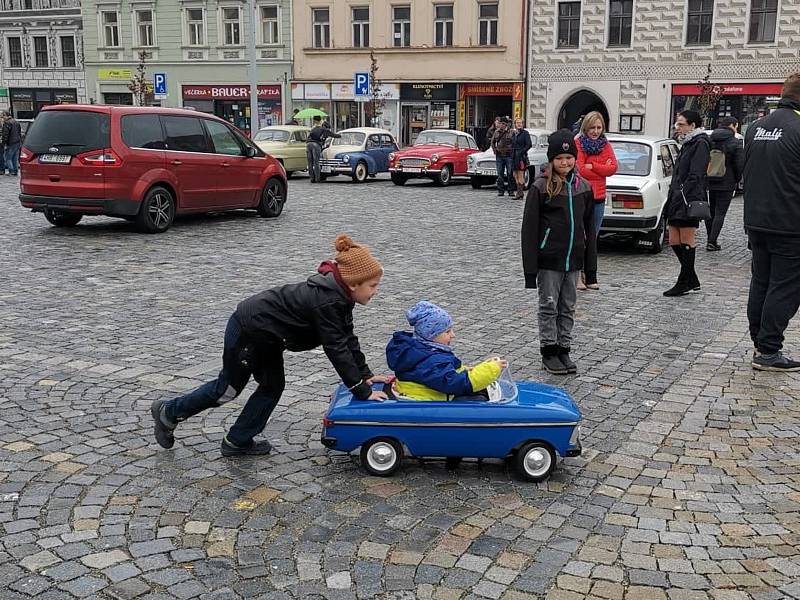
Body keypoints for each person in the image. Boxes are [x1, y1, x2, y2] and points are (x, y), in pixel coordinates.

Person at [150, 234, 389, 456]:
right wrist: (362, 390)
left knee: (272, 386)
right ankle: (168, 412)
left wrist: (366, 375)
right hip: (249, 330)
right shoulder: (328, 300)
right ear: (354, 283)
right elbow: (335, 348)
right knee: (227, 389)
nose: (376, 291)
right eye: (373, 285)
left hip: (270, 337)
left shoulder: (340, 298)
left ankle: (237, 440)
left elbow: (347, 337)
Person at [521, 129, 597, 375]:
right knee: (548, 306)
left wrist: (590, 269)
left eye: (569, 157)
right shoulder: (540, 188)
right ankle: (549, 351)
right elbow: (529, 231)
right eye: (559, 158)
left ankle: (564, 348)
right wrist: (530, 271)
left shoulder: (583, 187)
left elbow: (590, 230)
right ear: (552, 160)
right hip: (549, 260)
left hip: (573, 260)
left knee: (568, 307)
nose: (565, 162)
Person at [743, 72, 800, 371]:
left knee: (761, 282)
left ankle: (760, 341)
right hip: (790, 223)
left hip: (756, 220)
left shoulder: (755, 127)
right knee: (785, 286)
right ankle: (768, 350)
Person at [385, 301, 507, 401]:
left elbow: (445, 373)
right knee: (478, 400)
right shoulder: (431, 360)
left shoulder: (422, 351)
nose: (453, 335)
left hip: (433, 393)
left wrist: (468, 370)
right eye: (447, 332)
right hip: (432, 400)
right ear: (431, 335)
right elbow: (453, 383)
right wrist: (491, 370)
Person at [663, 110, 710, 297]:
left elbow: (696, 173)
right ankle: (691, 278)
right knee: (674, 239)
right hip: (676, 195)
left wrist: (684, 191)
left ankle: (684, 281)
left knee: (686, 238)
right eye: (677, 124)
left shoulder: (700, 143)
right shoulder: (686, 142)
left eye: (681, 124)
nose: (678, 127)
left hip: (688, 197)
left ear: (692, 125)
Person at [575, 111, 618, 290]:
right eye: (592, 127)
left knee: (592, 238)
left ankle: (590, 275)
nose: (595, 131)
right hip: (582, 195)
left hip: (599, 197)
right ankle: (577, 274)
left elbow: (613, 167)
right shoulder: (578, 143)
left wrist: (593, 165)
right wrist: (602, 167)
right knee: (579, 237)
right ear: (586, 127)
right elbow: (580, 169)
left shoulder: (605, 145)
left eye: (599, 127)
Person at [705, 116, 744, 251]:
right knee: (720, 212)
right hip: (727, 181)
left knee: (711, 211)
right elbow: (739, 164)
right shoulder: (735, 142)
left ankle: (710, 237)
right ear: (733, 125)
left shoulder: (710, 139)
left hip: (711, 179)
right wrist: (737, 179)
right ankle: (712, 241)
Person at [306, 115, 340, 183]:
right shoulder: (323, 129)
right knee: (316, 162)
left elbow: (308, 137)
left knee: (310, 162)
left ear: (315, 121)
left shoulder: (313, 128)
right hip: (316, 145)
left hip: (308, 144)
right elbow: (333, 135)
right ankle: (317, 179)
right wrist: (340, 135)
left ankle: (312, 178)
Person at [491, 117, 515, 197]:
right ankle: (500, 190)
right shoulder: (496, 132)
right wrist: (495, 150)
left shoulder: (511, 132)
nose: (501, 125)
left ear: (506, 124)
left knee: (510, 173)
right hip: (499, 155)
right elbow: (492, 142)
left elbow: (514, 143)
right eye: (500, 123)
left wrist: (512, 152)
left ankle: (511, 190)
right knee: (500, 174)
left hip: (509, 155)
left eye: (503, 123)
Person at [511, 118, 532, 200]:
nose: (519, 124)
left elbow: (529, 144)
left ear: (523, 124)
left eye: (520, 123)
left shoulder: (525, 133)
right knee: (514, 174)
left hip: (521, 157)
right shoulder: (514, 133)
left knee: (520, 174)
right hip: (513, 156)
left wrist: (521, 152)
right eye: (517, 123)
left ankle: (519, 193)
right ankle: (520, 193)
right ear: (515, 124)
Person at [1, 111, 22, 177]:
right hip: (17, 142)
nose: (2, 118)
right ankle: (15, 171)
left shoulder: (7, 123)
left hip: (10, 143)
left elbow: (5, 135)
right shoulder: (16, 122)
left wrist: (4, 144)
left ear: (6, 115)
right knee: (15, 158)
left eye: (2, 116)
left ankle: (11, 171)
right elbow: (19, 132)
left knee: (8, 158)